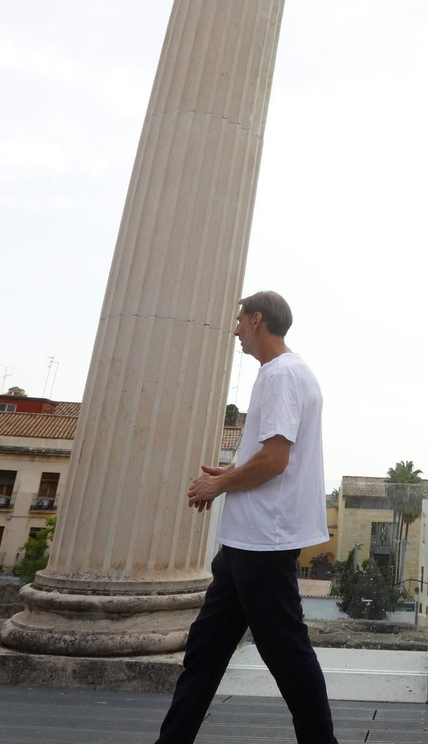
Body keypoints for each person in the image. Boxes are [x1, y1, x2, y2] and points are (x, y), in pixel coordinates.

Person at [153, 291, 335, 744]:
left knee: (287, 654)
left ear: (257, 320)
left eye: (239, 321)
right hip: (248, 541)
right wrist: (232, 473)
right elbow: (270, 456)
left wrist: (219, 484)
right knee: (206, 649)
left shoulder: (280, 376)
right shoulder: (290, 373)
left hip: (263, 541)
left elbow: (275, 460)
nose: (234, 330)